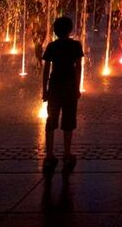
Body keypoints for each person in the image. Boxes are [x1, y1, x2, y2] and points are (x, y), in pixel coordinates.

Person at [41, 15, 84, 173]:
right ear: (70, 30)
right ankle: (66, 153)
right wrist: (77, 88)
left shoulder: (52, 46)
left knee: (51, 119)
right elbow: (78, 67)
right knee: (68, 120)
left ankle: (49, 155)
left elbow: (46, 69)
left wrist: (44, 90)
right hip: (70, 87)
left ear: (55, 30)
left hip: (54, 86)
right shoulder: (75, 45)